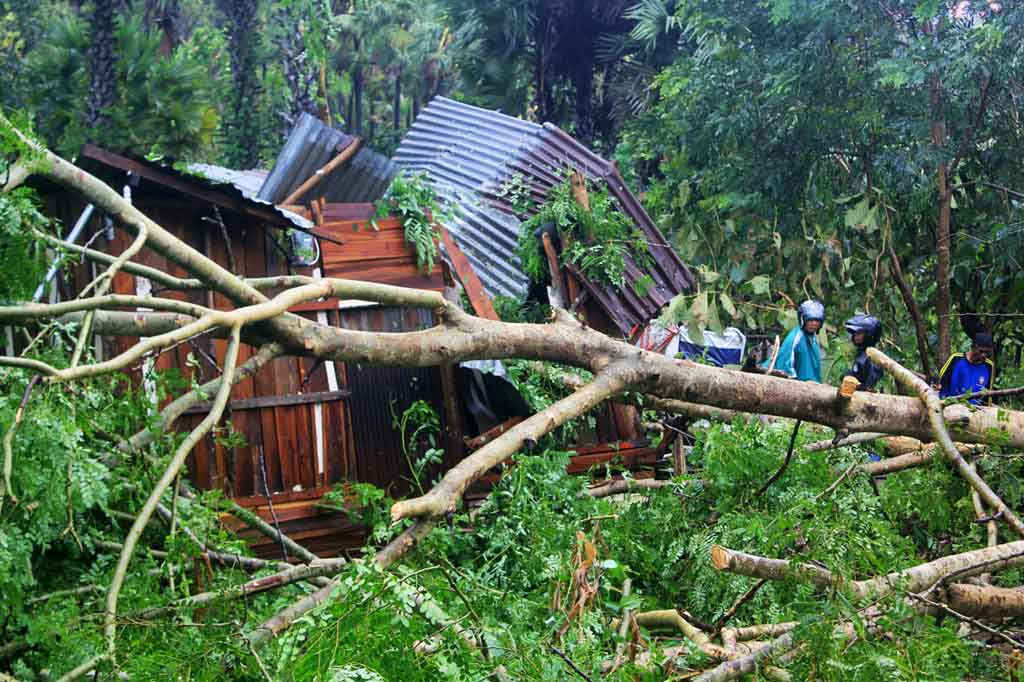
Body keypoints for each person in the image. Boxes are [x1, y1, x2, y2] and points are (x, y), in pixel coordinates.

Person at [771, 299, 825, 382]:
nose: (814, 323)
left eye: (817, 321)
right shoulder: (796, 338)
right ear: (803, 320)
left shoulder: (813, 338)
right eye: (810, 320)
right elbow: (786, 365)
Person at [937, 332, 996, 403]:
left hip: (976, 410)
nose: (984, 355)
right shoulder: (956, 359)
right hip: (952, 406)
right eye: (981, 351)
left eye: (987, 352)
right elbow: (941, 383)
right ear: (973, 347)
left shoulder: (989, 365)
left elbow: (988, 395)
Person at [842, 314, 884, 391]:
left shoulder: (872, 357)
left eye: (859, 333)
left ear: (870, 334)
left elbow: (869, 387)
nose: (855, 336)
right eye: (855, 333)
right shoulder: (862, 354)